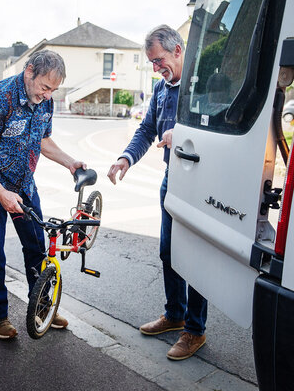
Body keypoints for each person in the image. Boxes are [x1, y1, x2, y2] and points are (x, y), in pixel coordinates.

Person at [0, 50, 86, 340]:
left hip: (25, 185)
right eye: (45, 87)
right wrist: (0, 193)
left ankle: (42, 306)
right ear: (29, 70)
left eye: (53, 90)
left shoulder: (46, 102)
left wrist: (71, 162)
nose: (47, 95)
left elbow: (43, 141)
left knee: (37, 248)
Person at [107, 25, 208, 360]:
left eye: (158, 60)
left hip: (202, 181)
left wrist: (180, 134)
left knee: (194, 258)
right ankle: (175, 315)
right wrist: (125, 158)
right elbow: (147, 129)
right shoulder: (161, 90)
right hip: (173, 178)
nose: (155, 68)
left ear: (178, 50)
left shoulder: (203, 83)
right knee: (169, 251)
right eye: (151, 62)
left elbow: (217, 126)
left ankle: (194, 331)